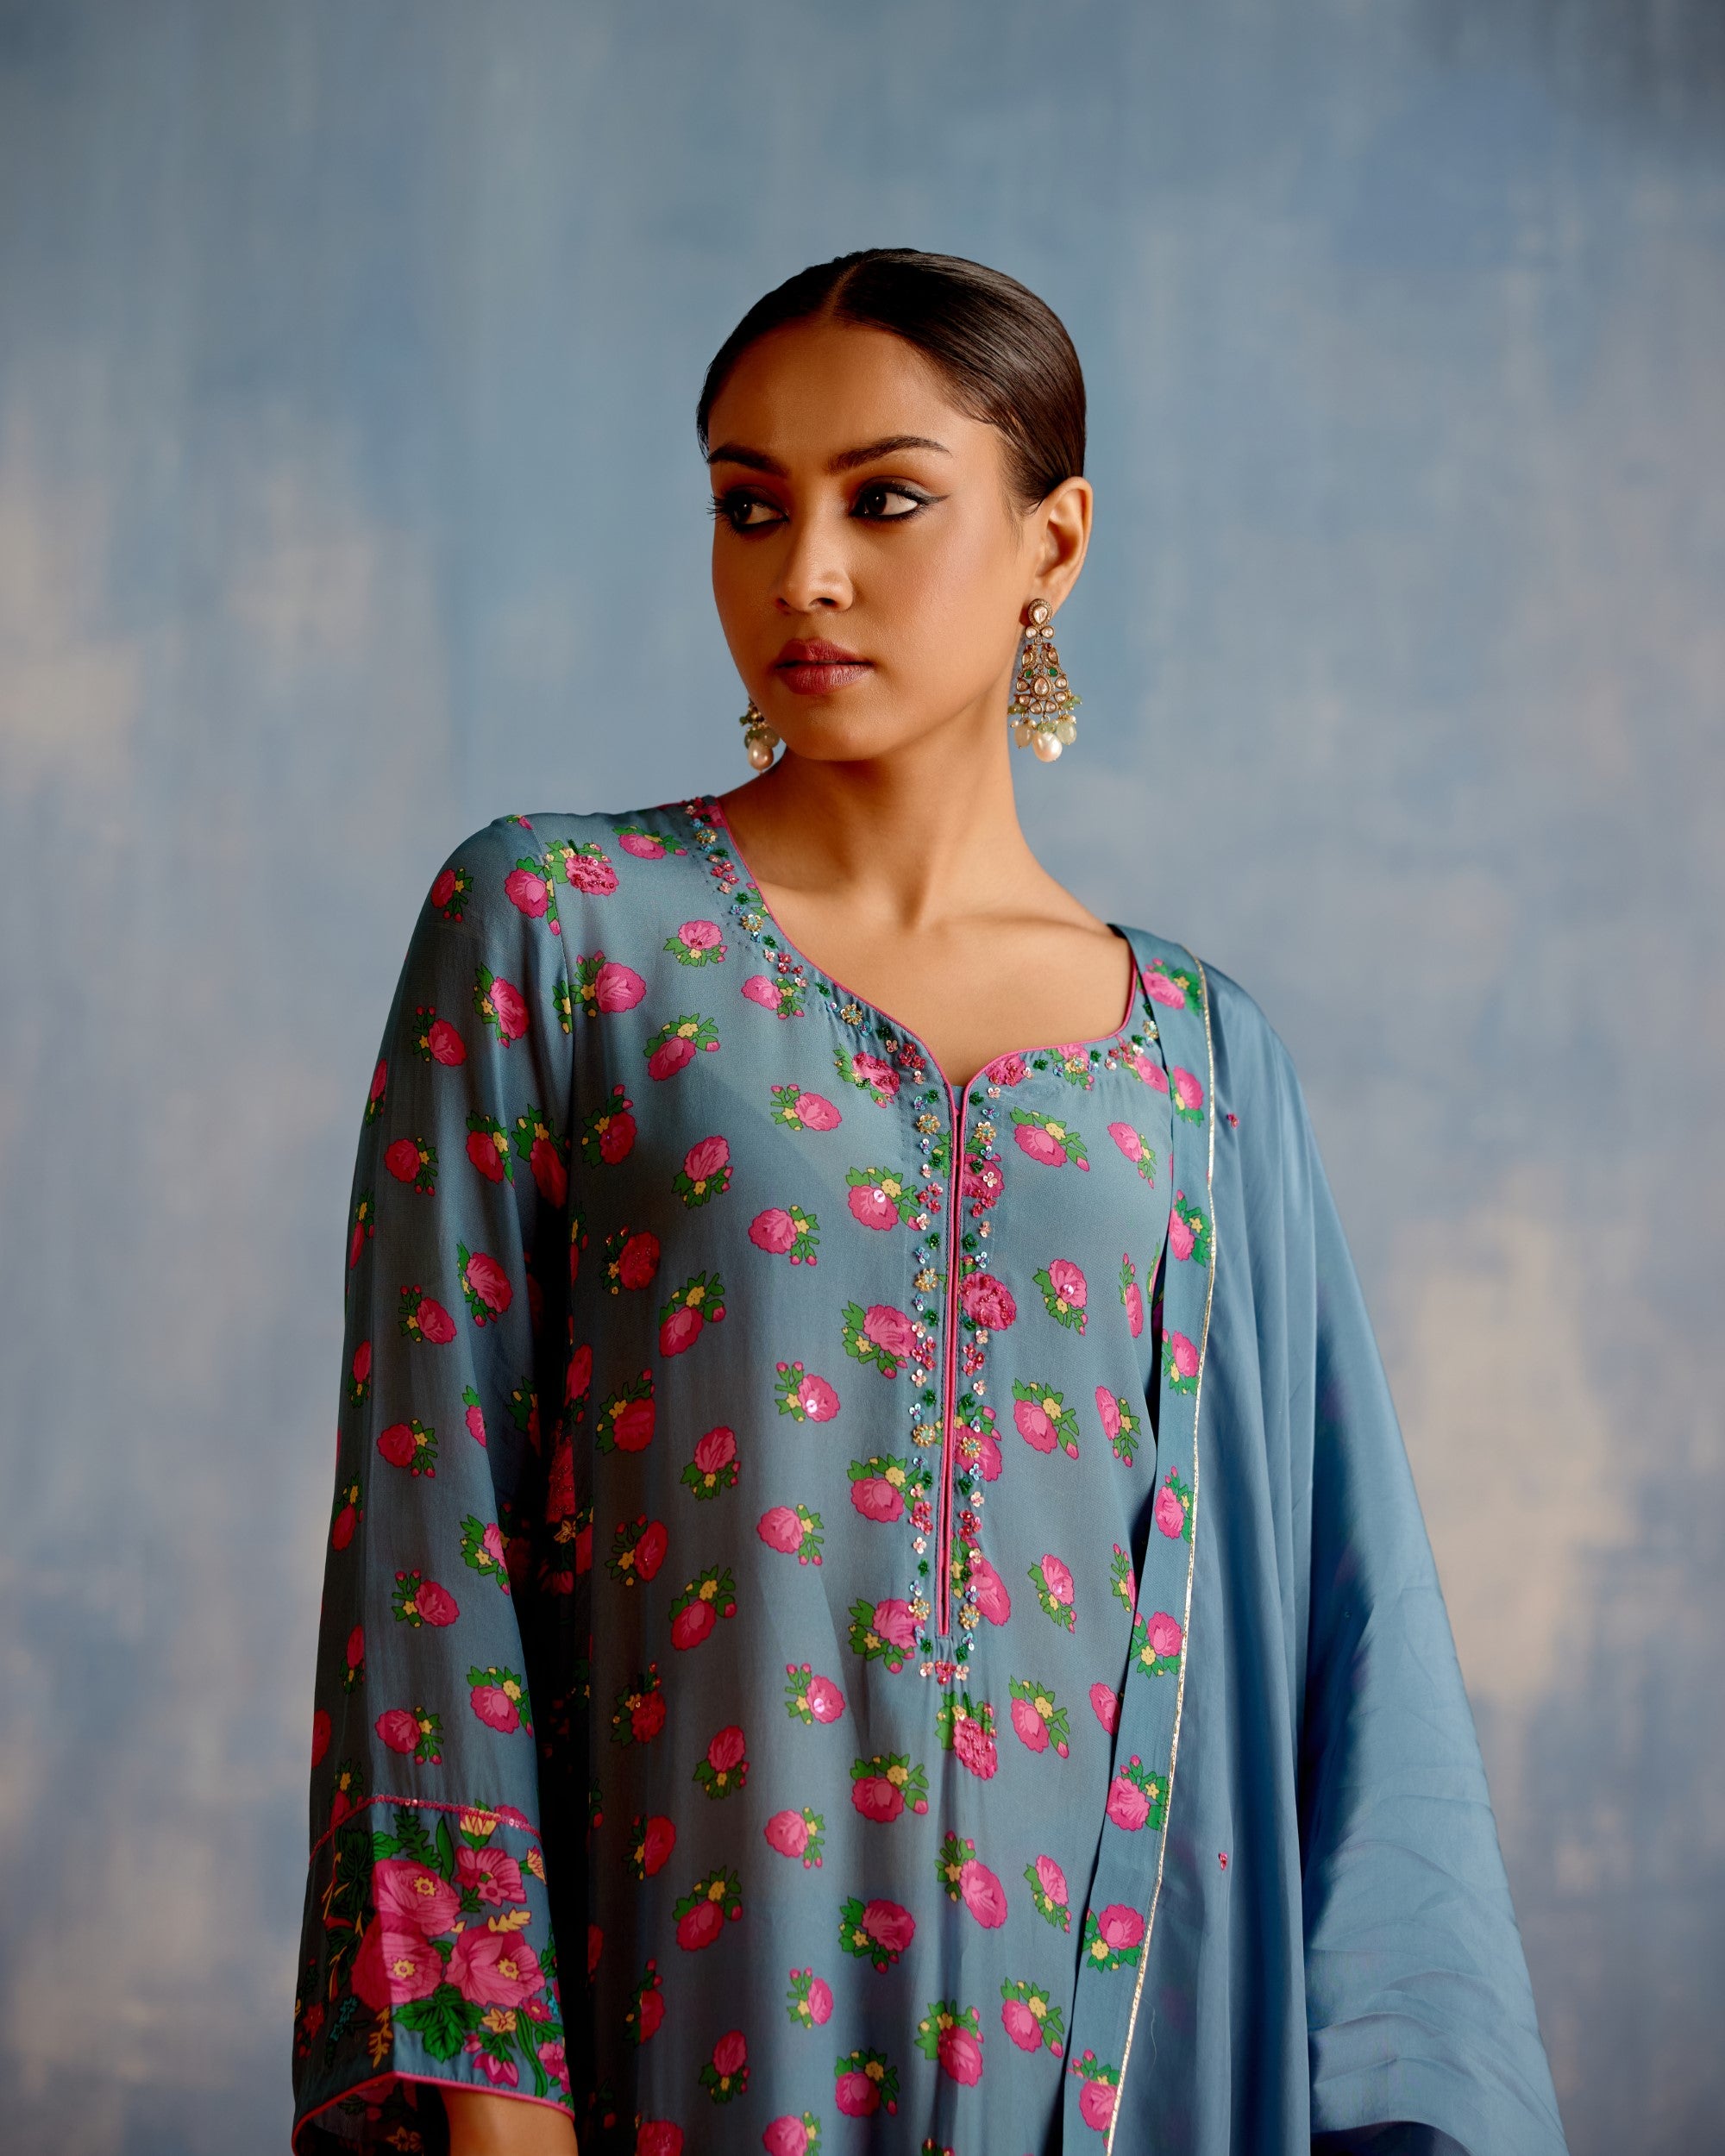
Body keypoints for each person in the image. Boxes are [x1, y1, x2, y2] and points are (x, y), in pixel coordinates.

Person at [290, 250, 1569, 2156]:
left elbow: (1349, 1651)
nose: (804, 572)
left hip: (1120, 2068)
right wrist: (498, 2104)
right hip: (683, 2039)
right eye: (749, 507)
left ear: (1054, 542)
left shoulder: (1202, 1065)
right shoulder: (557, 936)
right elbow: (430, 1544)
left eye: (885, 499)